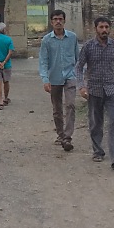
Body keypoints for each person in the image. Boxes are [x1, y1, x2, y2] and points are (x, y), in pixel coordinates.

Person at [76, 16, 114, 169]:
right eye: (101, 27)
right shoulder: (88, 47)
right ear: (96, 29)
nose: (104, 30)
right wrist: (82, 86)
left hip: (111, 89)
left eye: (107, 27)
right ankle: (98, 151)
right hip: (94, 90)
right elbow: (79, 67)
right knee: (96, 122)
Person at [38, 9, 79, 152]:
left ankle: (67, 137)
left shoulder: (72, 38)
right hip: (54, 77)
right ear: (51, 22)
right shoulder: (47, 40)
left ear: (64, 21)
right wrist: (45, 79)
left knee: (71, 105)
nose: (58, 21)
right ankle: (60, 135)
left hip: (70, 76)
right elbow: (43, 61)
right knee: (57, 109)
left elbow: (78, 58)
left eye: (60, 19)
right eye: (55, 19)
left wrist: (80, 75)